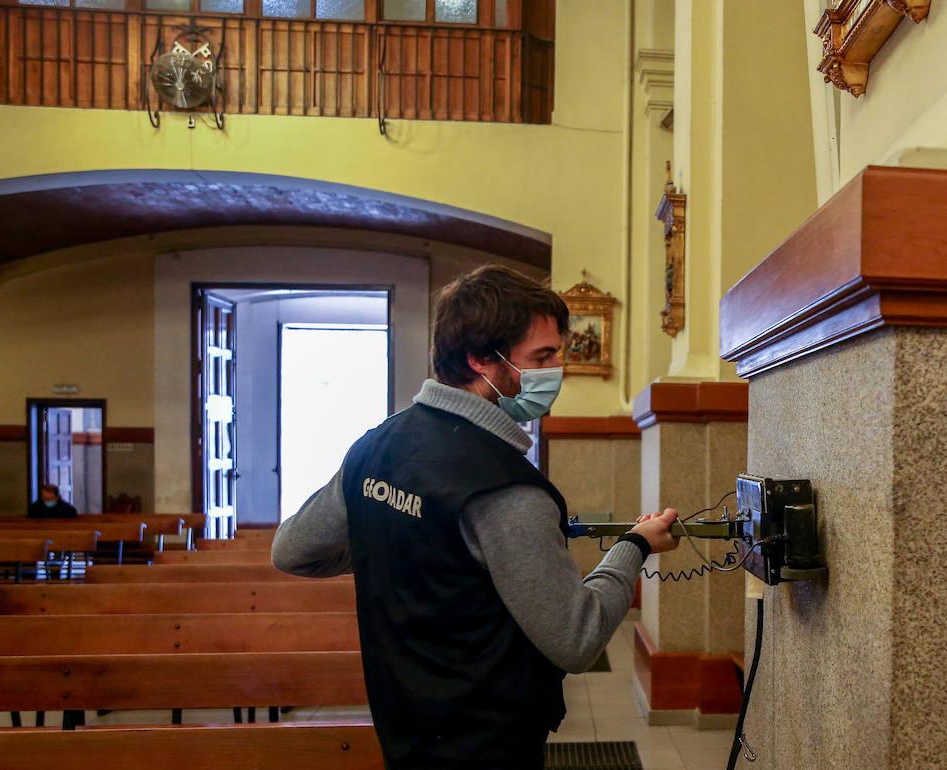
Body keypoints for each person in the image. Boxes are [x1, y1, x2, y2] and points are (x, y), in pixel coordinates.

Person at [272, 265, 682, 770]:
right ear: (481, 360)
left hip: (406, 726)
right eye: (543, 356)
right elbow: (577, 638)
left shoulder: (377, 445)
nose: (559, 370)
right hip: (486, 742)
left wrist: (410, 549)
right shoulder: (505, 488)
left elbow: (291, 548)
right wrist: (635, 545)